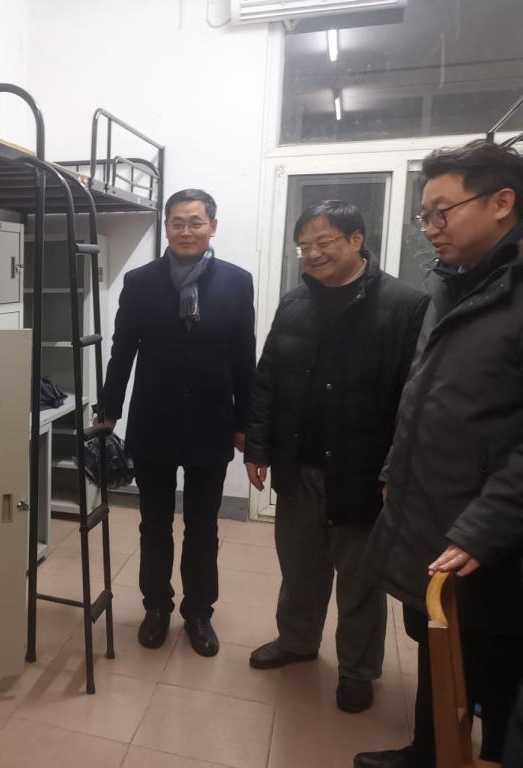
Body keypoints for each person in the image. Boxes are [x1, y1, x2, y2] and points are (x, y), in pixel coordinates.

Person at [355, 139, 523, 768]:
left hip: (492, 535)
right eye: (424, 215)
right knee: (438, 641)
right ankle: (428, 752)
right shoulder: (452, 285)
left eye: (441, 212)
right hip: (432, 502)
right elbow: (423, 395)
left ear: (502, 203)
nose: (430, 228)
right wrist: (393, 470)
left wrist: (486, 527)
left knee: (496, 665)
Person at [244, 200, 427, 714]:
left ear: (356, 240)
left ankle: (357, 670)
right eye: (304, 246)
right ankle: (297, 640)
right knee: (299, 566)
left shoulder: (406, 305)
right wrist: (258, 447)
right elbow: (267, 379)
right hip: (298, 464)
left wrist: (395, 471)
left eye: (323, 242)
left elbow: (414, 400)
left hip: (363, 471)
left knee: (360, 578)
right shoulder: (294, 303)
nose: (312, 254)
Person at [102, 188, 256, 655]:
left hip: (212, 419)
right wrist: (108, 410)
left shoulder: (237, 282)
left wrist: (246, 421)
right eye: (177, 222)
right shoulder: (141, 281)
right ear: (166, 227)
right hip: (155, 419)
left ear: (212, 226)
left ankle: (199, 612)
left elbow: (243, 356)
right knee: (153, 524)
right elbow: (123, 350)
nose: (186, 231)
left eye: (196, 222)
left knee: (203, 526)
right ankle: (156, 607)